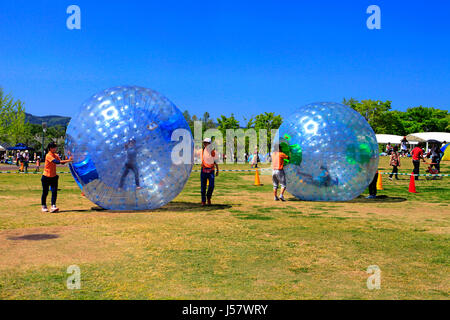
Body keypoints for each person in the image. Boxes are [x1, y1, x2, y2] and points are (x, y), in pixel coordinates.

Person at [41, 142, 73, 213]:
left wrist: (68, 157)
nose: (56, 148)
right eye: (54, 147)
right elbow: (56, 162)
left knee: (54, 192)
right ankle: (43, 206)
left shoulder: (55, 155)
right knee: (45, 192)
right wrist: (68, 160)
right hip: (46, 177)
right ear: (50, 148)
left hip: (54, 177)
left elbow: (61, 162)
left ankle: (53, 206)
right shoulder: (48, 155)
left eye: (56, 147)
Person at [200, 138, 219, 206]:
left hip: (211, 171)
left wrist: (217, 170)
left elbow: (216, 161)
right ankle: (203, 201)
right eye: (204, 143)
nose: (205, 144)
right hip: (203, 170)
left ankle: (208, 197)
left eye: (206, 143)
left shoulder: (213, 152)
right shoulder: (202, 150)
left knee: (211, 186)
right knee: (203, 187)